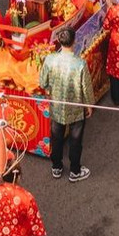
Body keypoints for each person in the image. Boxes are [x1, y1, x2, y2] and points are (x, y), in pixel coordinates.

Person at [39, 28, 91, 181]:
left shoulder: (49, 59)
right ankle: (75, 171)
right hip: (75, 108)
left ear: (59, 41)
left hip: (56, 106)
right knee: (75, 140)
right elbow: (86, 87)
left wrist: (49, 90)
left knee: (56, 138)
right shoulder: (80, 64)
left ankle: (56, 167)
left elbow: (42, 82)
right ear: (74, 41)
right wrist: (89, 105)